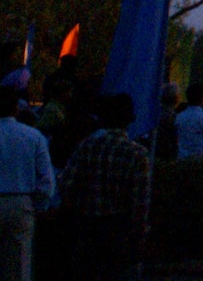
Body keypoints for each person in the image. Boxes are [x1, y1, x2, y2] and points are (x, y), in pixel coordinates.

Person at [59, 93, 151, 281]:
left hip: (86, 224)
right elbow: (139, 202)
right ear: (130, 120)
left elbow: (66, 184)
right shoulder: (137, 154)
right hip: (117, 228)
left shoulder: (86, 146)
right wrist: (139, 234)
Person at [0, 88, 53, 281]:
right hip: (22, 202)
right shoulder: (34, 137)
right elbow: (45, 178)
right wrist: (39, 204)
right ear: (16, 108)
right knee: (18, 265)